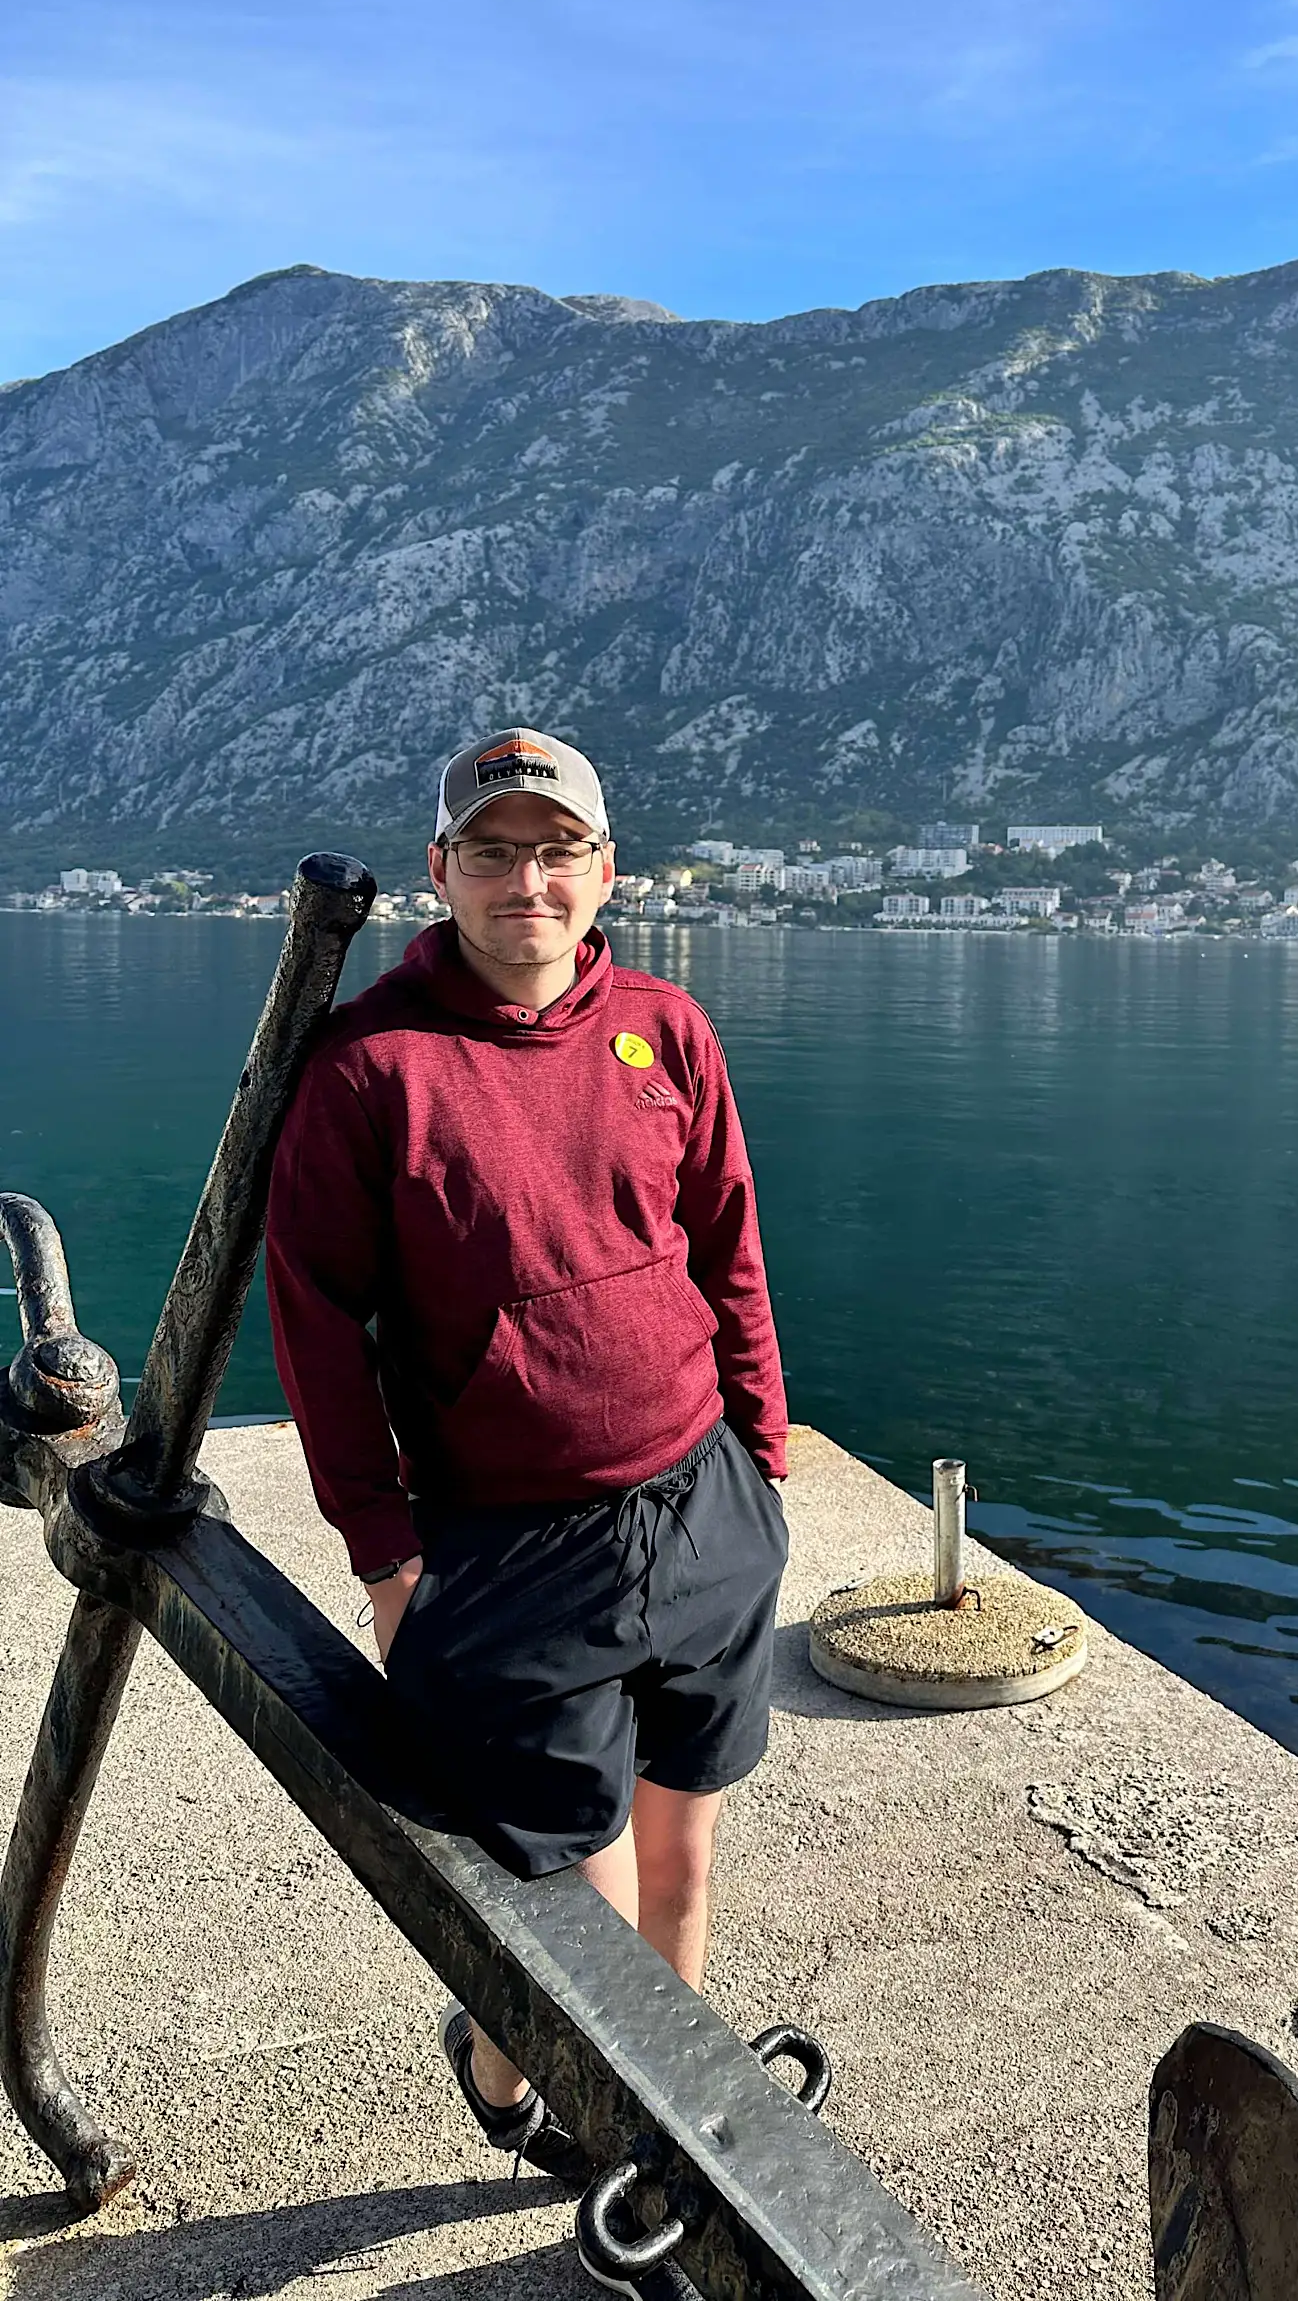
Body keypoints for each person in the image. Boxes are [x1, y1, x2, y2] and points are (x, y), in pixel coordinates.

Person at [266, 727, 789, 2185]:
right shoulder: (372, 1069)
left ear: (605, 870)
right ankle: (524, 2092)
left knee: (682, 1874)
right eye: (492, 851)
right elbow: (313, 1322)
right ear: (441, 873)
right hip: (509, 1551)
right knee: (588, 1908)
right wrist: (387, 1558)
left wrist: (762, 1462)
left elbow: (728, 1247)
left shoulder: (666, 1029)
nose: (527, 880)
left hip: (702, 1513)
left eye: (556, 850)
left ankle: (656, 2132)